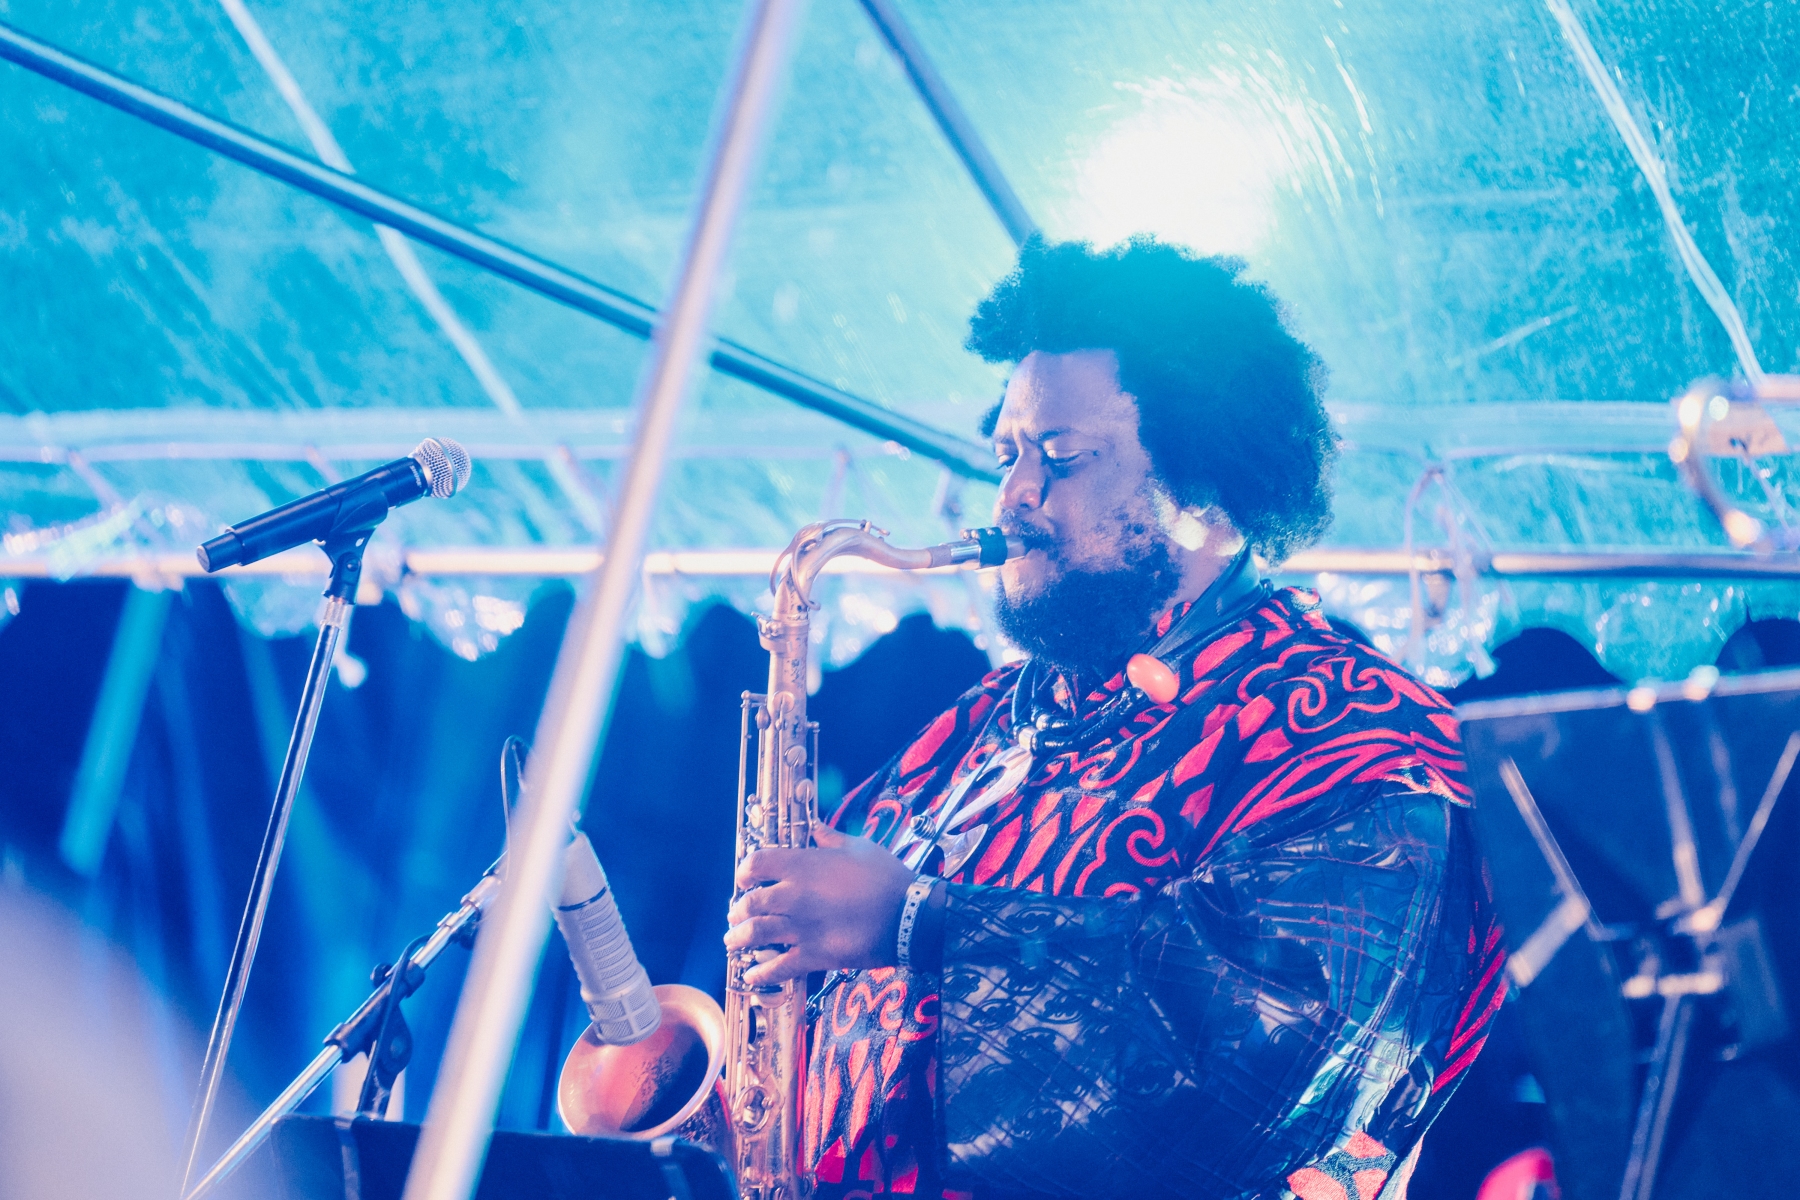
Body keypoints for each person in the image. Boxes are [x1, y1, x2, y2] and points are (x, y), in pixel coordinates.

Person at [725, 237, 1504, 1200]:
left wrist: (919, 920)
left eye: (1062, 456)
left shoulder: (1365, 738)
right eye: (1007, 454)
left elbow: (1250, 1082)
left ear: (1205, 485)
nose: (1016, 492)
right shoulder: (975, 729)